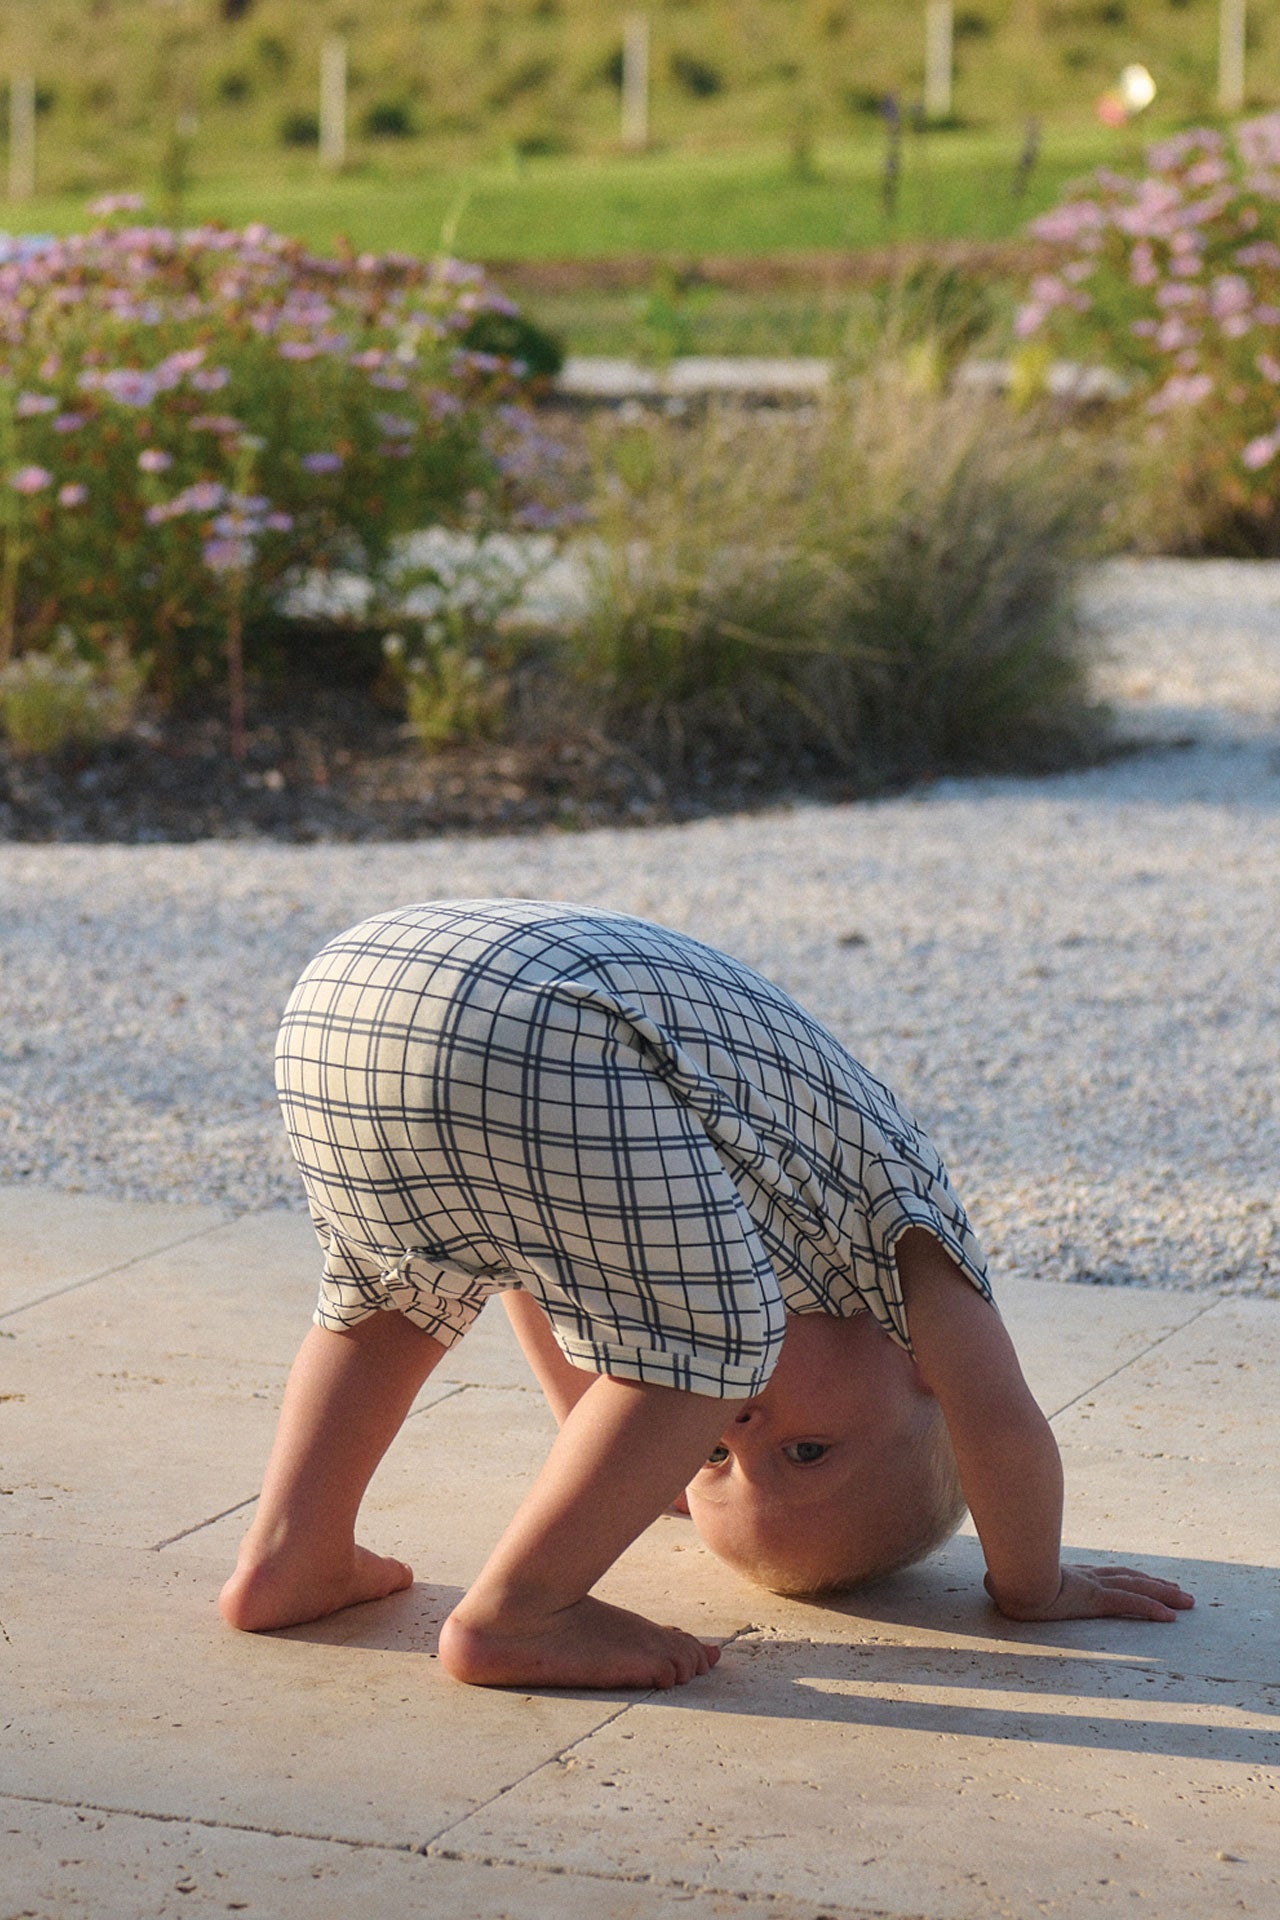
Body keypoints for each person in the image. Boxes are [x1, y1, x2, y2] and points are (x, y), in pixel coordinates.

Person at [219, 899, 1193, 1689]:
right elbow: (1001, 1419)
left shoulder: (708, 1230)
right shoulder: (909, 1263)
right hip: (534, 1018)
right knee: (705, 1338)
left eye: (716, 1454)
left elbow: (538, 1274)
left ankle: (292, 1557)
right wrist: (1032, 1586)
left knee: (390, 1295)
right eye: (804, 1451)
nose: (737, 1421)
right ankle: (522, 1612)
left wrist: (611, 1449)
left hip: (358, 991)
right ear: (915, 1375)